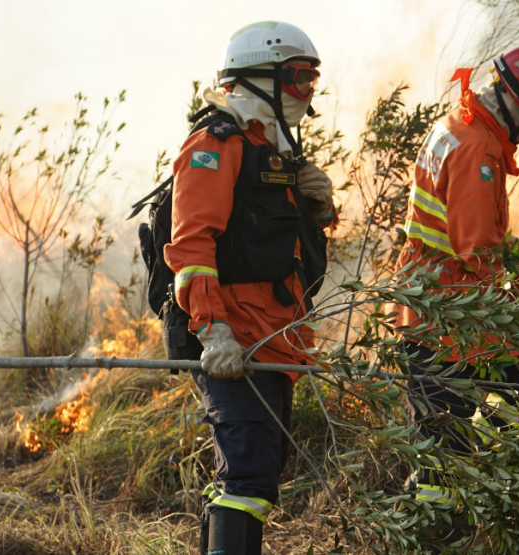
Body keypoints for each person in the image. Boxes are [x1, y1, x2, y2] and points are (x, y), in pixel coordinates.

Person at [163, 21, 337, 555]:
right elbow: (191, 248)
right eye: (299, 77)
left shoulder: (272, 152)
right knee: (247, 477)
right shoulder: (213, 147)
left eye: (312, 78)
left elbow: (287, 251)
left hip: (274, 339)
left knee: (252, 478)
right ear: (259, 76)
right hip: (232, 338)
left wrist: (320, 209)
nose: (307, 91)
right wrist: (214, 332)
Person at [394, 45, 519, 510]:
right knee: (449, 458)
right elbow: (477, 250)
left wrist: (514, 250)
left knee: (503, 410)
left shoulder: (459, 123)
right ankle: (437, 527)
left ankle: (473, 493)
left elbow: (461, 225)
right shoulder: (479, 149)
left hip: (440, 308)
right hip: (450, 320)